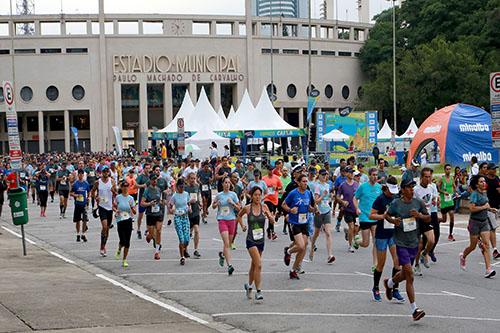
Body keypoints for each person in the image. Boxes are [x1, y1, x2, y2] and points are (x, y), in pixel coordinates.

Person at [383, 179, 430, 321]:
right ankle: (414, 309)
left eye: (412, 187)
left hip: (414, 242)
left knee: (404, 273)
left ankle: (390, 283)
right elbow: (386, 215)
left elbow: (428, 218)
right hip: (400, 243)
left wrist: (420, 216)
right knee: (410, 275)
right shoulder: (396, 203)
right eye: (409, 187)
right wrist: (393, 221)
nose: (411, 189)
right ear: (402, 189)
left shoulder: (418, 203)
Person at [368, 176, 405, 302]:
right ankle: (376, 287)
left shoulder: (396, 198)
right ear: (385, 188)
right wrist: (383, 216)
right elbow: (371, 215)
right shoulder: (380, 199)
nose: (391, 193)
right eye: (390, 190)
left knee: (397, 262)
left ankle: (395, 289)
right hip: (382, 234)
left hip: (394, 234)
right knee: (381, 264)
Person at [238, 186, 275, 301]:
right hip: (251, 240)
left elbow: (272, 220)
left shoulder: (264, 207)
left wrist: (270, 217)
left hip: (261, 240)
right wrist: (243, 225)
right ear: (251, 196)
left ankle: (249, 286)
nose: (258, 197)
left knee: (254, 265)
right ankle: (258, 291)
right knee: (258, 264)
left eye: (259, 195)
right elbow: (239, 216)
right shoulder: (247, 208)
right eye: (255, 195)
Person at [460, 176, 497, 278]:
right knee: (473, 246)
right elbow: (471, 208)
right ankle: (463, 256)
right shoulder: (474, 194)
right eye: (481, 182)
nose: (484, 183)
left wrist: (490, 209)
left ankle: (488, 269)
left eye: (484, 181)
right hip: (474, 223)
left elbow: (486, 204)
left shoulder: (484, 193)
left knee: (486, 245)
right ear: (477, 184)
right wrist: (484, 207)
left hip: (484, 222)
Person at [282, 174, 315, 280]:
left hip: (304, 222)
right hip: (294, 222)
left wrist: (312, 209)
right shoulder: (293, 193)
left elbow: (309, 207)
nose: (306, 183)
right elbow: (283, 204)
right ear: (299, 183)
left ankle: (293, 270)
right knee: (300, 246)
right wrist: (290, 210)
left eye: (306, 181)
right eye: (304, 181)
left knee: (303, 247)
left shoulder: (308, 193)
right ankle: (288, 252)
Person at [353, 168, 382, 270]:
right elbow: (355, 198)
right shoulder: (363, 187)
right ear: (369, 175)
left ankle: (375, 264)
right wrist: (357, 208)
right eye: (373, 175)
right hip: (364, 216)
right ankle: (357, 241)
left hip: (374, 217)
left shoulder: (380, 187)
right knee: (365, 244)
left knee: (376, 241)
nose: (375, 177)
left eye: (376, 175)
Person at [413, 167, 439, 275]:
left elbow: (433, 198)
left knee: (432, 240)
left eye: (429, 177)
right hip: (418, 218)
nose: (428, 179)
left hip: (427, 217)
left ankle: (425, 254)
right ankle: (417, 265)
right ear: (421, 177)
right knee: (419, 243)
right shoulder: (416, 189)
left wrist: (435, 201)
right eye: (426, 177)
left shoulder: (431, 188)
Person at [213, 176, 241, 275]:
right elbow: (213, 205)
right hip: (222, 220)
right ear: (222, 184)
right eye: (225, 182)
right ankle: (230, 265)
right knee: (226, 243)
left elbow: (239, 208)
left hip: (231, 220)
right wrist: (217, 204)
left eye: (229, 183)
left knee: (228, 243)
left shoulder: (233, 195)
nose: (227, 184)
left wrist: (232, 203)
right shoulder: (219, 195)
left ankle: (222, 255)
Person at [309, 169, 335, 264]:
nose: (325, 176)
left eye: (326, 175)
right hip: (319, 212)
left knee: (328, 232)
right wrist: (323, 195)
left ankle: (330, 255)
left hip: (327, 210)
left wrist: (330, 197)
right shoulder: (317, 186)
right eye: (323, 175)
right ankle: (312, 247)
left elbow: (328, 198)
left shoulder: (328, 185)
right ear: (319, 175)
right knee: (316, 233)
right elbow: (316, 201)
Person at [92, 165, 117, 257]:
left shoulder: (112, 181)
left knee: (107, 230)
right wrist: (96, 197)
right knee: (105, 227)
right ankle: (102, 247)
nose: (106, 173)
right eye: (104, 172)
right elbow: (93, 191)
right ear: (101, 172)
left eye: (107, 171)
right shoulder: (97, 182)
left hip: (110, 207)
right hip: (102, 206)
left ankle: (103, 245)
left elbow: (116, 193)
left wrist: (114, 192)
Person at [141, 174, 165, 260]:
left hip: (158, 213)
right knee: (151, 234)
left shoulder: (159, 189)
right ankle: (149, 235)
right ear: (150, 180)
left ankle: (157, 252)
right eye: (153, 179)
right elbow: (142, 203)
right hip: (150, 214)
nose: (155, 181)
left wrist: (162, 202)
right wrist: (149, 204)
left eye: (156, 179)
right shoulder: (147, 190)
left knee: (158, 231)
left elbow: (161, 200)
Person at [113, 181, 136, 268]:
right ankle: (119, 249)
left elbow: (134, 211)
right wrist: (116, 211)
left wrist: (131, 208)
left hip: (128, 220)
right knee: (122, 240)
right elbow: (114, 206)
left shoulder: (131, 198)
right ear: (121, 187)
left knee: (127, 242)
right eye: (124, 186)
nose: (126, 188)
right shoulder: (118, 197)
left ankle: (124, 259)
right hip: (120, 220)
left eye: (127, 186)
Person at [336, 167, 359, 252]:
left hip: (356, 209)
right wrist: (342, 202)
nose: (352, 174)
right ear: (346, 174)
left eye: (353, 172)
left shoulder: (357, 184)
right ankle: (350, 245)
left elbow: (360, 196)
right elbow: (337, 197)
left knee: (356, 228)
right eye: (350, 172)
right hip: (347, 210)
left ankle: (348, 233)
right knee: (351, 226)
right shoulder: (342, 185)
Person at [169, 178, 191, 265]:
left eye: (183, 187)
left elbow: (188, 203)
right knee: (181, 239)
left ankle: (184, 249)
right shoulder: (174, 196)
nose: (182, 188)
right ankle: (182, 257)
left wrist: (189, 208)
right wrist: (171, 210)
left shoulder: (186, 194)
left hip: (185, 217)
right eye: (180, 187)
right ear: (177, 187)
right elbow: (170, 206)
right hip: (178, 218)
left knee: (187, 239)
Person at [262, 164, 282, 241]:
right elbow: (261, 188)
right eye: (269, 170)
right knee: (270, 215)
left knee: (272, 216)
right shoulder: (263, 179)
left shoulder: (276, 178)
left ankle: (269, 229)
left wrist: (276, 187)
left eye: (271, 170)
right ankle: (272, 232)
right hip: (267, 199)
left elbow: (280, 187)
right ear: (267, 170)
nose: (270, 171)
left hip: (274, 199)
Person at [484, 163, 500, 259]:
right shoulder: (485, 180)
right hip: (489, 207)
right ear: (488, 170)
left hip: (496, 207)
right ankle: (494, 250)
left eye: (496, 169)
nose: (495, 170)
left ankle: (481, 240)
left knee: (489, 228)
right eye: (493, 169)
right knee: (492, 228)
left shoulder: (497, 178)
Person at [185, 172, 202, 258]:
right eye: (191, 178)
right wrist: (189, 202)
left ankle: (196, 249)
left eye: (194, 178)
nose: (192, 180)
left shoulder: (197, 186)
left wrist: (200, 203)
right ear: (188, 179)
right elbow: (182, 201)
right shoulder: (185, 188)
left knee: (197, 230)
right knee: (188, 232)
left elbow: (198, 196)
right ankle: (185, 249)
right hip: (188, 213)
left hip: (196, 212)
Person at [70, 169, 90, 242]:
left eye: (82, 174)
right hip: (77, 204)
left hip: (84, 204)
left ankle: (83, 234)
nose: (81, 175)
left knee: (85, 220)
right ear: (78, 175)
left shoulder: (86, 183)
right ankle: (78, 234)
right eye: (79, 174)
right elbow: (71, 193)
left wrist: (88, 198)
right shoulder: (75, 184)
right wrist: (76, 195)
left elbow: (88, 191)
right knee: (78, 220)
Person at [438, 164, 456, 241]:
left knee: (452, 215)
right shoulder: (442, 179)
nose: (448, 170)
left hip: (450, 201)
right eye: (447, 169)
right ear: (445, 170)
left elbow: (454, 186)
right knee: (444, 220)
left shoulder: (452, 178)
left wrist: (454, 192)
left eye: (449, 169)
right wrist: (443, 192)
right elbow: (438, 188)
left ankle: (450, 234)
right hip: (444, 202)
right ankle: (437, 221)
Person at [135, 163, 151, 239]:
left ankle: (147, 230)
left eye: (149, 168)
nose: (148, 170)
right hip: (142, 198)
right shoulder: (141, 176)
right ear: (143, 169)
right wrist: (142, 186)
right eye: (146, 168)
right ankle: (138, 229)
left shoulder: (151, 176)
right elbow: (135, 185)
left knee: (149, 215)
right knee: (141, 215)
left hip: (149, 199)